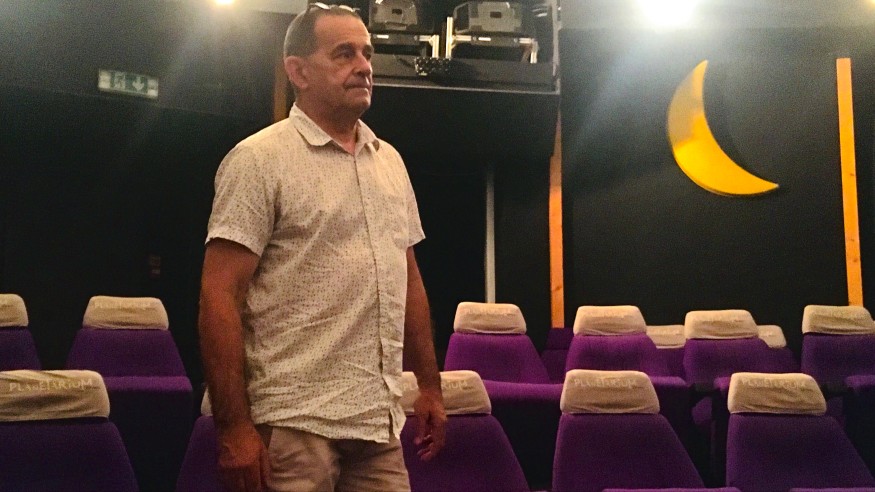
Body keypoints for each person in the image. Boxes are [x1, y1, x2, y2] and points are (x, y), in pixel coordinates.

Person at [197, 4, 446, 491]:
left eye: (367, 53)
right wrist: (234, 427)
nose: (364, 66)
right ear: (298, 72)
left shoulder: (390, 162)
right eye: (344, 54)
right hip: (293, 423)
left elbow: (409, 281)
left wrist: (430, 385)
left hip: (377, 422)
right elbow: (218, 295)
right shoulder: (258, 160)